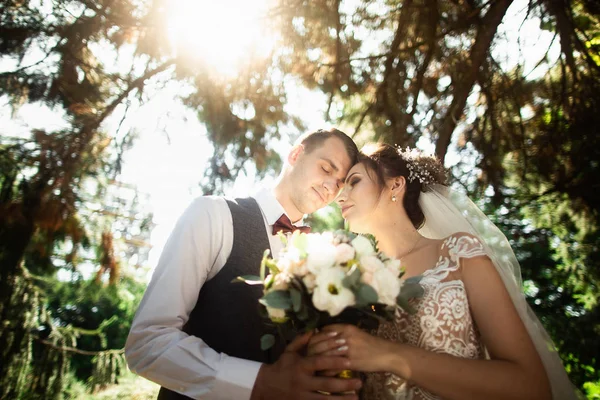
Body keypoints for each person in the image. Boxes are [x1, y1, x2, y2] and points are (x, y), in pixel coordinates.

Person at [308, 143, 580, 399]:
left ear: (396, 184)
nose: (340, 195)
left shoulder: (458, 254)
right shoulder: (353, 280)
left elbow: (532, 387)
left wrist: (386, 354)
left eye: (354, 181)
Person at [125, 128, 364, 400]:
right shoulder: (212, 215)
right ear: (296, 154)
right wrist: (259, 382)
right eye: (325, 168)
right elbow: (147, 344)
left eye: (339, 183)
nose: (330, 186)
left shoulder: (319, 259)